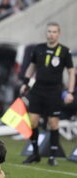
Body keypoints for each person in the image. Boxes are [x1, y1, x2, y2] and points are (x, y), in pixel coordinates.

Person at [20, 22, 75, 166]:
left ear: (59, 34)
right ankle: (35, 153)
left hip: (54, 91)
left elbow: (71, 72)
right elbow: (31, 67)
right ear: (46, 33)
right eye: (49, 31)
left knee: (53, 123)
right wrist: (25, 83)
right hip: (38, 89)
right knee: (33, 121)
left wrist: (70, 91)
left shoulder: (64, 51)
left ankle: (52, 156)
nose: (51, 34)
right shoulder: (38, 49)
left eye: (54, 32)